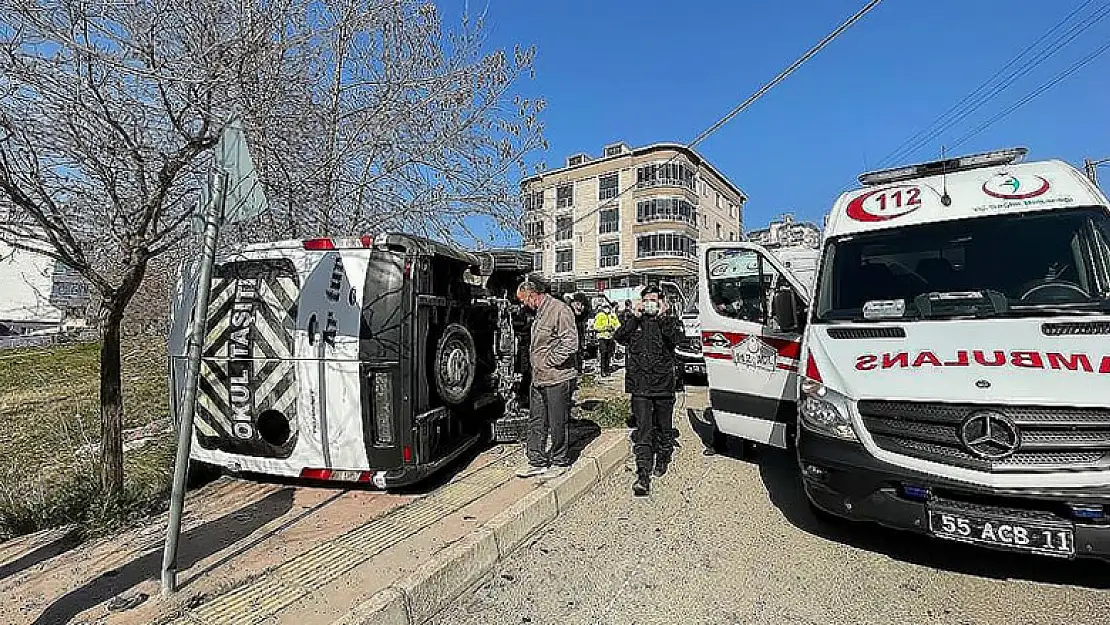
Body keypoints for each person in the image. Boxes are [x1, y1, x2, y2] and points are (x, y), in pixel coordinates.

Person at [613, 284, 684, 496]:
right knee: (643, 430)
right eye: (647, 300)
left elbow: (677, 340)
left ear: (662, 302)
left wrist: (663, 317)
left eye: (654, 300)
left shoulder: (670, 321)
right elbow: (619, 337)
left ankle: (663, 456)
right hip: (640, 386)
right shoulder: (634, 321)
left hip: (663, 385)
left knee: (664, 428)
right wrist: (634, 316)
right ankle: (643, 474)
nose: (650, 304)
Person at [515, 280, 580, 478]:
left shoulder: (559, 310)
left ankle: (560, 461)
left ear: (533, 295)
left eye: (524, 300)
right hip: (539, 378)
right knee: (536, 420)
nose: (523, 305)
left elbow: (570, 343)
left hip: (557, 377)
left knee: (557, 421)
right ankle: (536, 461)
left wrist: (550, 361)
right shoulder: (539, 313)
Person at [592, 303, 620, 377]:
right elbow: (596, 327)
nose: (607, 309)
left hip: (610, 337)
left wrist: (614, 328)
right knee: (603, 353)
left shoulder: (613, 316)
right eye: (605, 307)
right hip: (602, 337)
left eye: (608, 307)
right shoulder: (599, 315)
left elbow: (618, 325)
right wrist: (605, 327)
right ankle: (603, 370)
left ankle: (607, 370)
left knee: (609, 354)